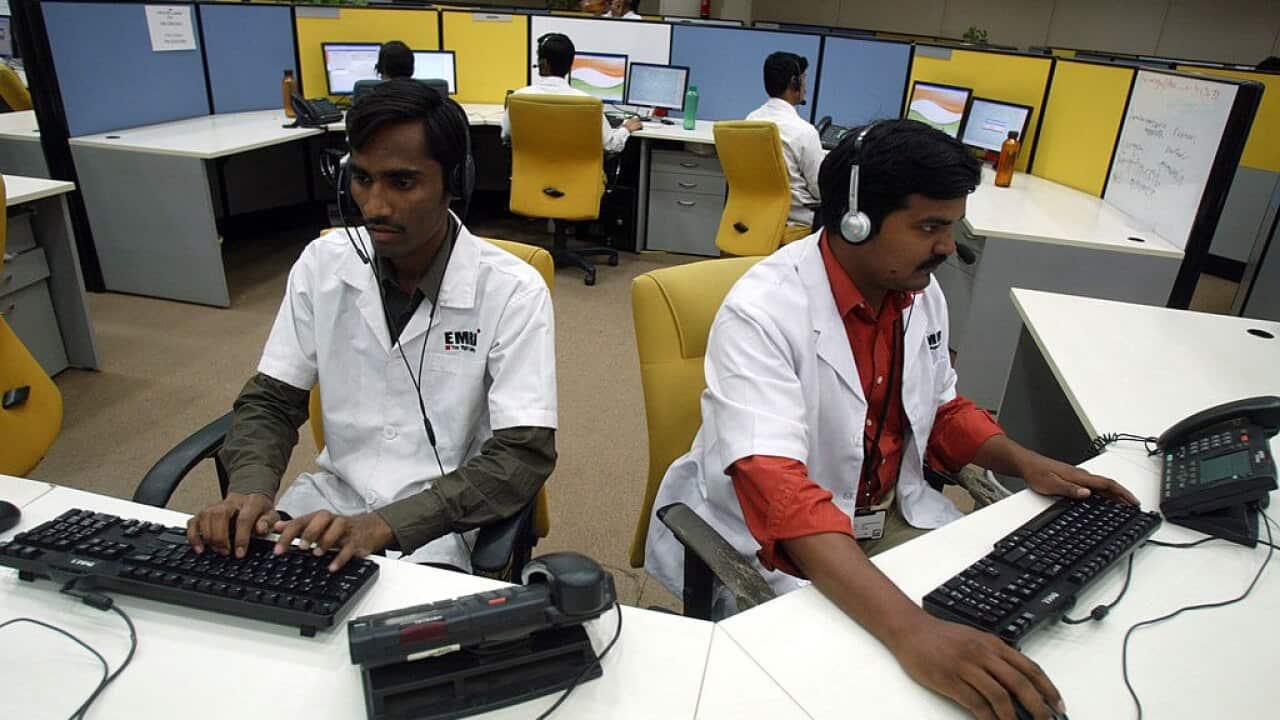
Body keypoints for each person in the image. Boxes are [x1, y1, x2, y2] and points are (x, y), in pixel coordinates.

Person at [645, 119, 1140, 720]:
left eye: (952, 226)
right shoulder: (762, 312)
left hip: (887, 519)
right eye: (929, 227)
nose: (947, 247)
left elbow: (942, 408)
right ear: (855, 221)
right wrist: (913, 632)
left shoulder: (915, 290)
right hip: (784, 543)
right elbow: (778, 490)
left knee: (1038, 636)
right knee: (880, 691)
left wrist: (1025, 461)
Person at [187, 79, 558, 574]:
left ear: (455, 182)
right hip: (324, 510)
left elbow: (522, 455)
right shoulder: (323, 265)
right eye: (361, 179)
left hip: (441, 527)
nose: (375, 207)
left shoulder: (514, 290)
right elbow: (271, 401)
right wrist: (249, 489)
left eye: (402, 183)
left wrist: (385, 524)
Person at [501, 32, 641, 155]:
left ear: (543, 64)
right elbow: (611, 145)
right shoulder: (588, 104)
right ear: (570, 66)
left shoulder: (519, 98)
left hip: (529, 179)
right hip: (577, 181)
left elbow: (505, 134)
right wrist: (626, 128)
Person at [745, 51, 823, 231]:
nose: (806, 87)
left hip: (757, 216)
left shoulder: (750, 120)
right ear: (794, 83)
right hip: (796, 221)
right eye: (804, 80)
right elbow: (819, 189)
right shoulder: (804, 132)